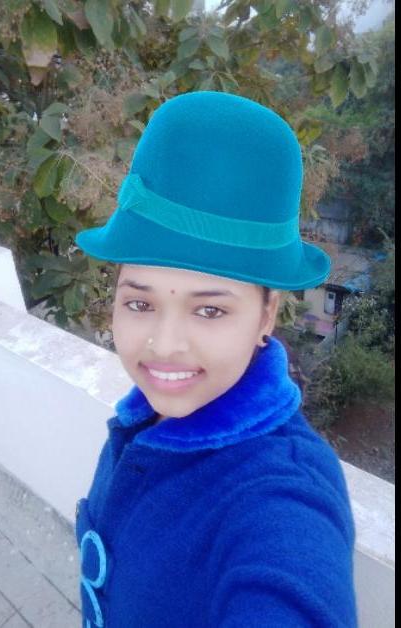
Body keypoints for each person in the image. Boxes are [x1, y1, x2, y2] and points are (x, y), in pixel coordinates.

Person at [73, 91, 358, 627]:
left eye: (209, 310)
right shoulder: (145, 416)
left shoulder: (279, 494)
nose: (164, 345)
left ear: (267, 315)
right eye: (140, 303)